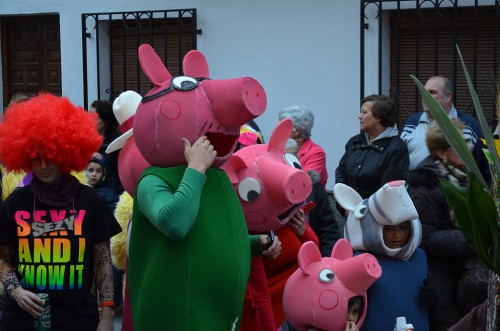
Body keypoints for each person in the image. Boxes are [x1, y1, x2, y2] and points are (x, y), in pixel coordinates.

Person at [0, 93, 122, 330]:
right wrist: (16, 291)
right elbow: (3, 258)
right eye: (36, 159)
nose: (44, 166)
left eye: (51, 157)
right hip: (22, 320)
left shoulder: (90, 200)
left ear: (65, 154)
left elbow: (103, 261)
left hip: (78, 318)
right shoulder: (16, 203)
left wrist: (107, 316)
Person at [408, 119, 488, 331]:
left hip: (467, 272)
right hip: (439, 277)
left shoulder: (466, 178)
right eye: (459, 143)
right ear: (442, 152)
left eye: (467, 142)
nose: (467, 148)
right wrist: (474, 239)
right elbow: (424, 237)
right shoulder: (426, 182)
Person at [336, 180, 431, 331]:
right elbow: (352, 310)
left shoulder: (419, 257)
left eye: (403, 227)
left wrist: (432, 301)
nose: (398, 235)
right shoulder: (362, 260)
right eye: (389, 229)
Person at [401, 75, 490, 182]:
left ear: (448, 97)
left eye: (431, 92)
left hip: (456, 192)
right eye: (423, 92)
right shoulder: (413, 121)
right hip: (416, 189)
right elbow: (401, 158)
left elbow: (480, 164)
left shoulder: (468, 124)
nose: (424, 97)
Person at [335, 95, 409, 203]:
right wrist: (346, 204)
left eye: (364, 112)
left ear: (378, 116)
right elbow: (340, 173)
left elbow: (390, 189)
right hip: (350, 211)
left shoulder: (397, 148)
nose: (359, 116)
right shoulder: (354, 142)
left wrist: (366, 209)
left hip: (377, 215)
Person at [278, 105, 328, 188]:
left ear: (297, 131)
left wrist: (290, 155)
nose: (279, 129)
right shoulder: (279, 147)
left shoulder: (316, 153)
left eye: (283, 126)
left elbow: (303, 183)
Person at [89, 99, 122, 194]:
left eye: (94, 117)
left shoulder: (116, 143)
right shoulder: (84, 140)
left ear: (105, 121)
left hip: (110, 195)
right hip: (89, 194)